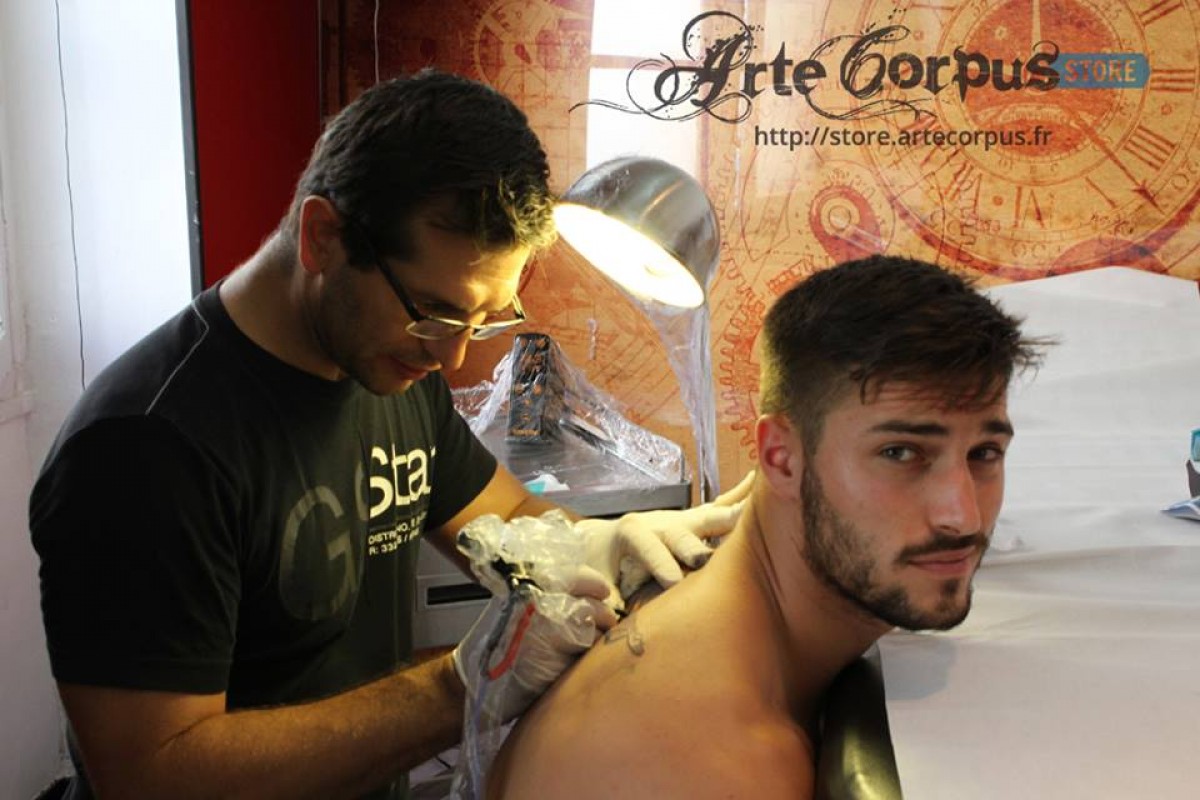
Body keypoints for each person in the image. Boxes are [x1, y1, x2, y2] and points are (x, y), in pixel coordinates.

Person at [28, 69, 748, 800]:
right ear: (322, 237)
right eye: (436, 312)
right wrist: (461, 684)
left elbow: (507, 518)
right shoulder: (144, 449)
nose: (453, 356)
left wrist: (597, 544)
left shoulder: (390, 366)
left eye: (484, 319)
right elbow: (153, 776)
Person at [488, 255, 1045, 799]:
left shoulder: (766, 646)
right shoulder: (702, 768)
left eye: (984, 453)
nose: (962, 515)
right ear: (781, 458)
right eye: (901, 453)